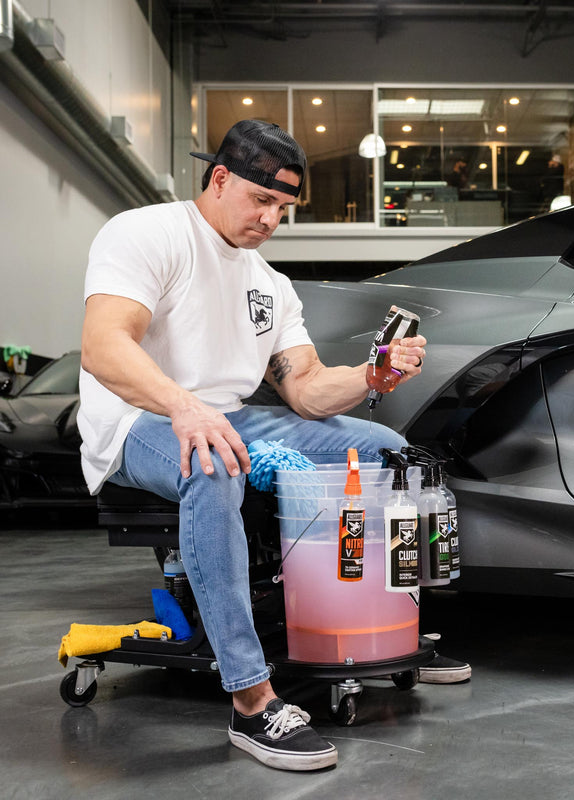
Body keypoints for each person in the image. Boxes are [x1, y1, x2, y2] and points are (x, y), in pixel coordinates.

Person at [77, 120, 469, 773]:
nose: (272, 219)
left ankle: (385, 631)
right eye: (261, 200)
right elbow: (103, 345)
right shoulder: (146, 233)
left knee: (388, 450)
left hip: (227, 416)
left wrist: (373, 375)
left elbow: (309, 391)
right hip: (137, 421)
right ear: (220, 178)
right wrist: (183, 405)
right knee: (213, 459)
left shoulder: (270, 285)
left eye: (284, 208)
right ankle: (252, 700)